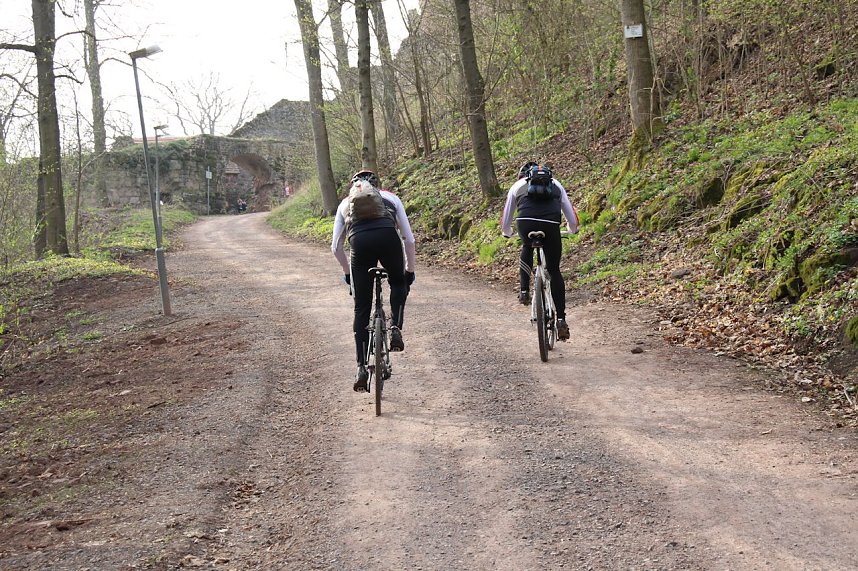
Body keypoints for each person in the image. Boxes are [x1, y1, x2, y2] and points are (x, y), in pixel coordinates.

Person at [331, 170, 417, 391]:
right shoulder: (391, 198)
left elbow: (336, 247)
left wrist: (348, 274)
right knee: (398, 283)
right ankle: (395, 327)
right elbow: (409, 239)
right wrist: (409, 271)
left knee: (361, 307)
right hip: (388, 237)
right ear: (377, 187)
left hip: (359, 242)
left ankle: (361, 366)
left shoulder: (345, 204)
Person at [500, 161, 579, 340]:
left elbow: (506, 218)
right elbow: (571, 217)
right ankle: (561, 320)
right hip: (551, 225)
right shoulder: (556, 184)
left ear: (523, 175)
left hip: (525, 222)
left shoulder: (517, 185)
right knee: (554, 270)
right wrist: (572, 229)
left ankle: (524, 291)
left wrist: (507, 232)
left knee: (527, 245)